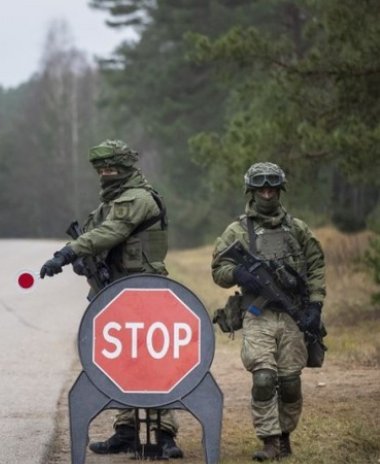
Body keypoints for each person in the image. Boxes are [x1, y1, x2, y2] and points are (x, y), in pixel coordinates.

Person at [39, 139, 182, 459]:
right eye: (101, 169)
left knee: (154, 361)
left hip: (146, 290)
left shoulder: (139, 198)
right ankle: (127, 430)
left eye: (111, 168)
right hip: (117, 294)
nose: (105, 173)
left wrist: (68, 252)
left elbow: (111, 232)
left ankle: (164, 433)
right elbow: (96, 238)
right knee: (122, 363)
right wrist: (82, 262)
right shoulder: (108, 203)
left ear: (126, 167)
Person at [210, 162, 326, 461]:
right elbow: (218, 270)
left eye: (271, 188)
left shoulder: (297, 229)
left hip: (293, 315)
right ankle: (269, 441)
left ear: (279, 190)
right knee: (263, 379)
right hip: (257, 313)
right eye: (261, 188)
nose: (266, 193)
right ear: (251, 191)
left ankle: (286, 435)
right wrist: (239, 274)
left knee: (289, 382)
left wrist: (314, 305)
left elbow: (315, 266)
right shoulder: (237, 230)